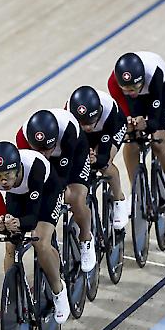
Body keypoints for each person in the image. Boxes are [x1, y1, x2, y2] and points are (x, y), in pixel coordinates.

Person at [0, 141, 70, 324]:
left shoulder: (34, 168)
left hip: (46, 192)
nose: (3, 181)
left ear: (19, 168)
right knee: (10, 246)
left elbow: (33, 217)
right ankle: (14, 297)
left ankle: (59, 290)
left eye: (7, 175)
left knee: (41, 242)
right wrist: (0, 223)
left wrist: (19, 222)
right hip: (18, 194)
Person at [15, 109, 97, 272]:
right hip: (46, 160)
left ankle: (86, 238)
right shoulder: (22, 138)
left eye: (47, 149)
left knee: (75, 197)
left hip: (73, 155)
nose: (43, 154)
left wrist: (56, 192)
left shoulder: (68, 130)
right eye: (39, 150)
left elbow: (62, 176)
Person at [107, 51, 165, 223]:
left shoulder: (154, 74)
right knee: (131, 141)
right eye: (126, 89)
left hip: (160, 94)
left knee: (159, 143)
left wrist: (147, 124)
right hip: (134, 100)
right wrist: (130, 122)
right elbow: (123, 113)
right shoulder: (114, 83)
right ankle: (138, 192)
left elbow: (155, 121)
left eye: (133, 88)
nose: (131, 91)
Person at [66, 85, 129, 229]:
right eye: (83, 123)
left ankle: (119, 199)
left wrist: (97, 158)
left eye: (90, 121)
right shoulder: (68, 114)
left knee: (104, 164)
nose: (88, 127)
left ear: (99, 111)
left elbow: (104, 153)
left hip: (111, 128)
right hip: (84, 136)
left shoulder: (109, 109)